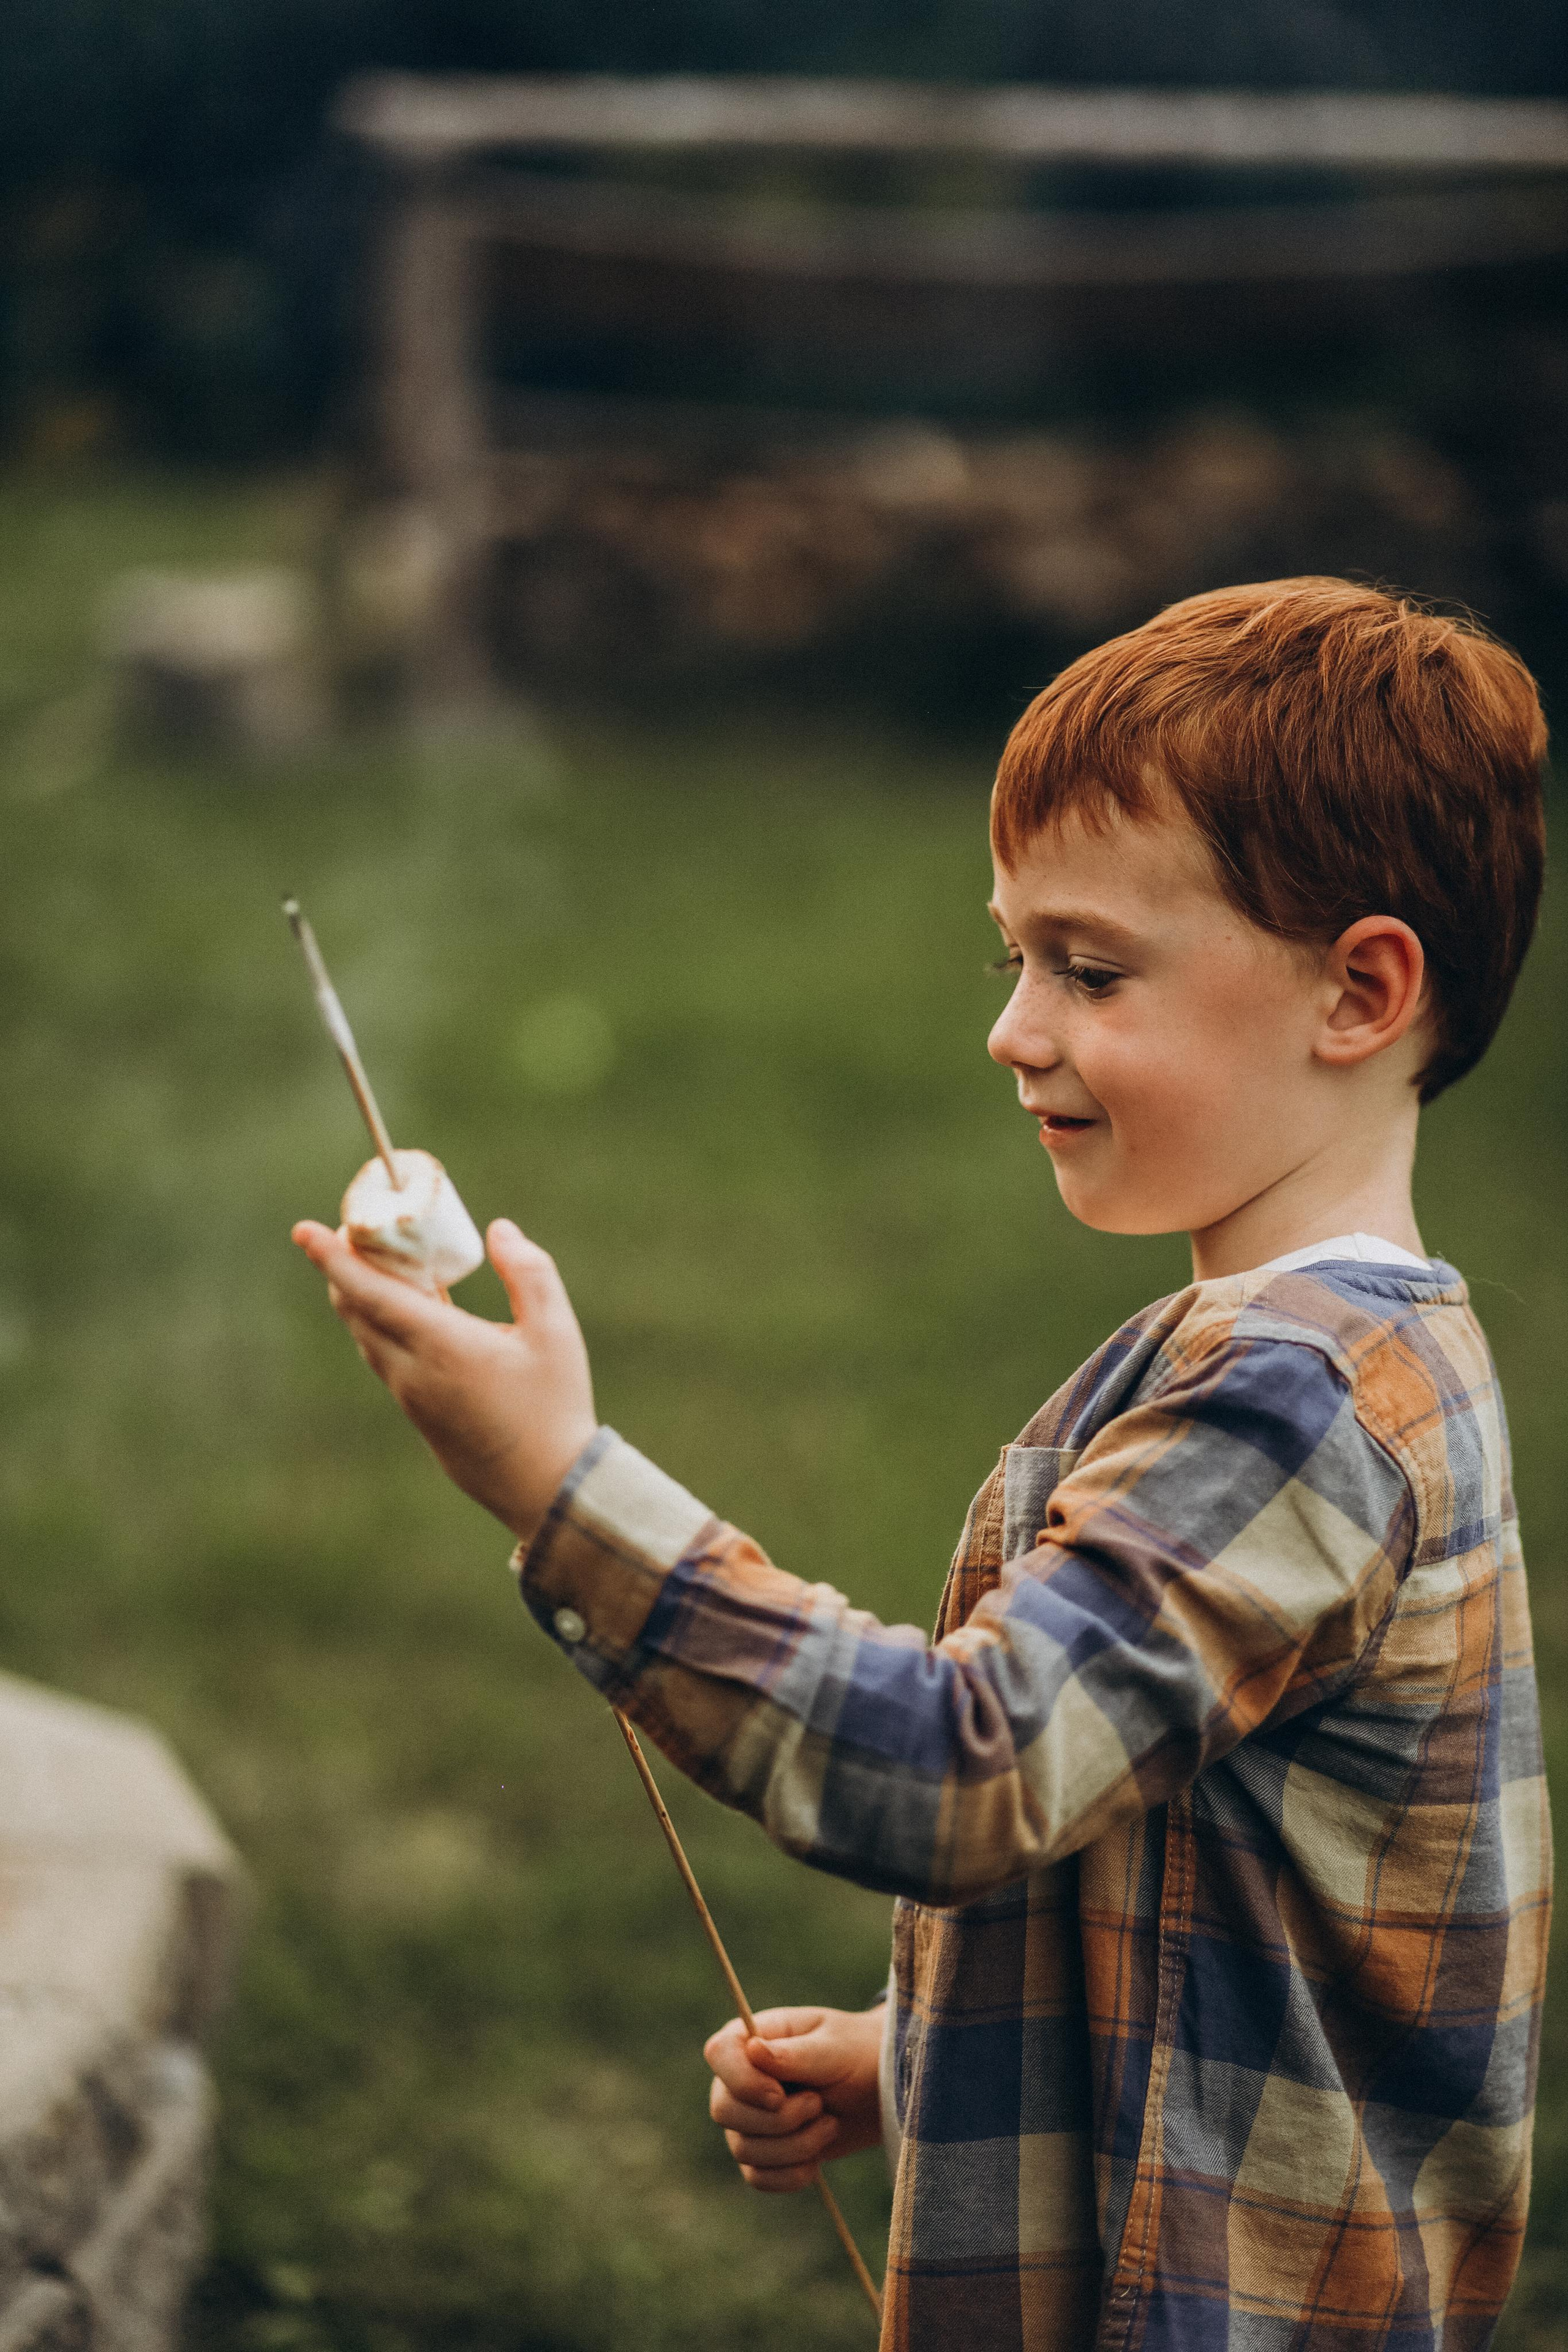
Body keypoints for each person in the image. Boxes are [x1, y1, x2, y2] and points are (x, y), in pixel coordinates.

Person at [293, 578, 1552, 2352]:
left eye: (1090, 969)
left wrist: (563, 1491)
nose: (1014, 1026)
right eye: (1014, 958)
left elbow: (969, 1768)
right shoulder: (1336, 1356)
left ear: (1358, 990)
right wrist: (928, 2056)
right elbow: (1206, 1889)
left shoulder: (1300, 1405)